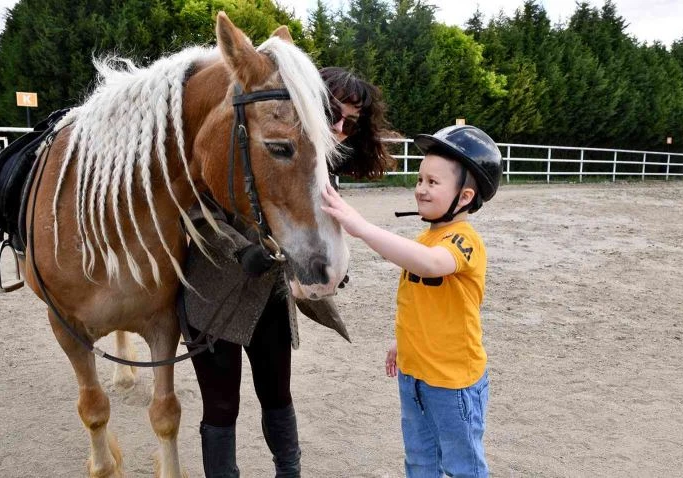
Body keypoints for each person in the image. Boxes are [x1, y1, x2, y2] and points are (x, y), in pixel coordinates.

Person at [179, 68, 392, 478]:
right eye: (333, 113)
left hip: (270, 297)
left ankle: (289, 473)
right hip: (213, 292)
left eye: (350, 123)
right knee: (221, 406)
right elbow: (196, 208)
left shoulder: (316, 165)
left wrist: (324, 264)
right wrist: (240, 250)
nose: (339, 128)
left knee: (277, 395)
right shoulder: (242, 137)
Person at [321, 124, 502, 478]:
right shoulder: (425, 238)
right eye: (420, 180)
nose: (420, 189)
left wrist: (362, 227)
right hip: (415, 376)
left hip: (453, 384)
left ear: (464, 197)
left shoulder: (465, 241)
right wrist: (402, 342)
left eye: (433, 183)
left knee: (463, 467)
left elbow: (432, 265)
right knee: (419, 463)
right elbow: (420, 300)